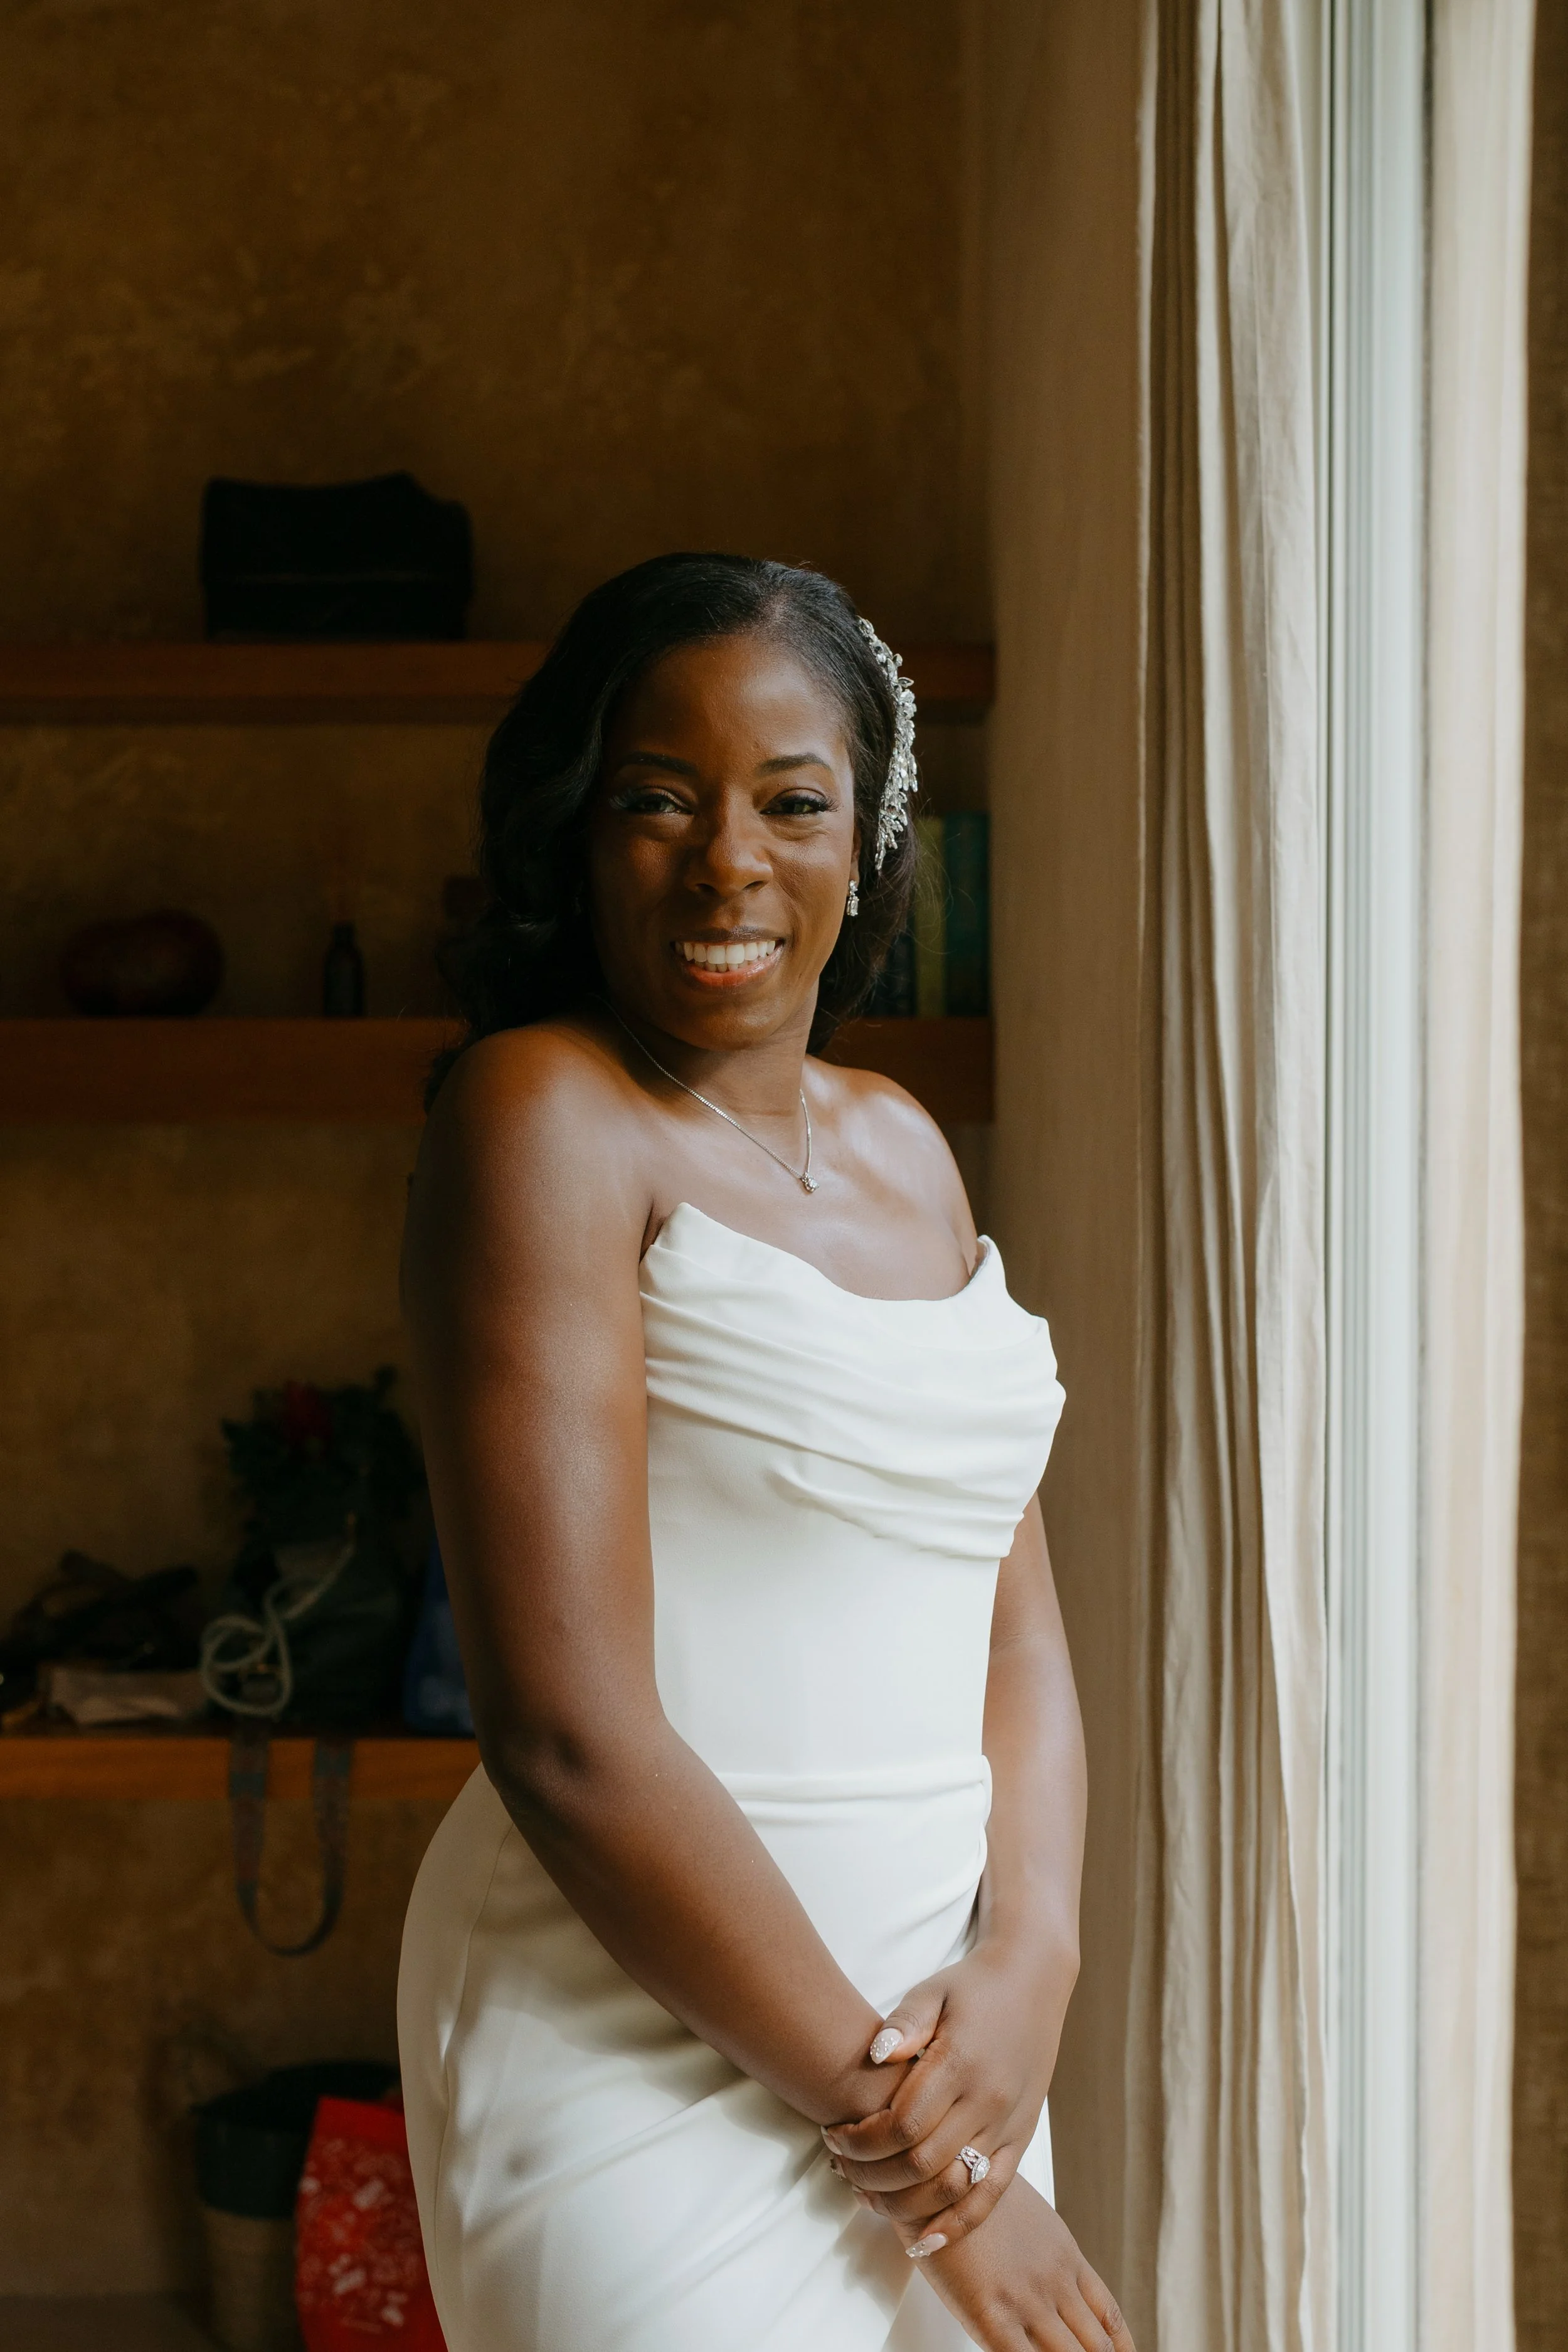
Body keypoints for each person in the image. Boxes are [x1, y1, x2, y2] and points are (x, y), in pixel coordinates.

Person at [397, 554, 1134, 2352]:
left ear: (866, 840)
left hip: (940, 2040)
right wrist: (936, 2172)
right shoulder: (543, 1117)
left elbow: (1015, 1634)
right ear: (575, 830)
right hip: (641, 2042)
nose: (729, 862)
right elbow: (567, 1737)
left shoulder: (905, 1147)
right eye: (659, 799)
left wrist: (1033, 1960)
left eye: (792, 803)